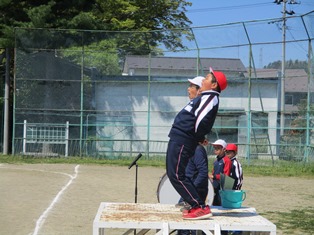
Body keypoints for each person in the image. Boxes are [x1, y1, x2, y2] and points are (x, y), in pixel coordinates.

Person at [166, 67, 228, 220]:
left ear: (214, 85)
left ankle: (199, 206)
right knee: (176, 173)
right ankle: (194, 203)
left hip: (183, 137)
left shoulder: (211, 97)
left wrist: (197, 136)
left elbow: (201, 120)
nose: (203, 80)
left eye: (207, 78)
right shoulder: (206, 96)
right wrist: (199, 137)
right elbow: (199, 119)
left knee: (176, 174)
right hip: (182, 136)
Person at [208, 139, 232, 206]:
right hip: (215, 186)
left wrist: (214, 176)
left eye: (218, 148)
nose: (215, 149)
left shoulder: (227, 160)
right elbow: (213, 172)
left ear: (224, 149)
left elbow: (226, 176)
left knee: (220, 205)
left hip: (222, 188)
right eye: (215, 148)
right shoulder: (216, 160)